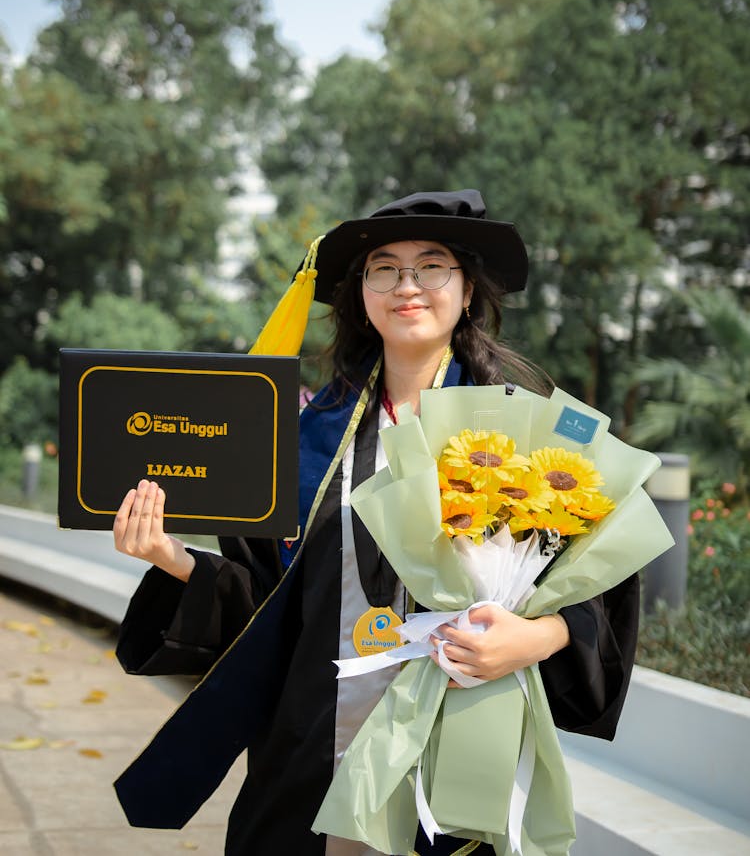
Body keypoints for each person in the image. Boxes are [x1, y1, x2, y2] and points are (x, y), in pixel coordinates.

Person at [113, 189, 639, 856]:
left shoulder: (525, 422)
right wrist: (172, 557)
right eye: (383, 267)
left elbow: (598, 587)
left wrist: (536, 636)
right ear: (360, 290)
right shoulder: (302, 435)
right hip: (311, 748)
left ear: (468, 286)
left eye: (431, 265)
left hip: (460, 737)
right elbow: (262, 603)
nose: (406, 285)